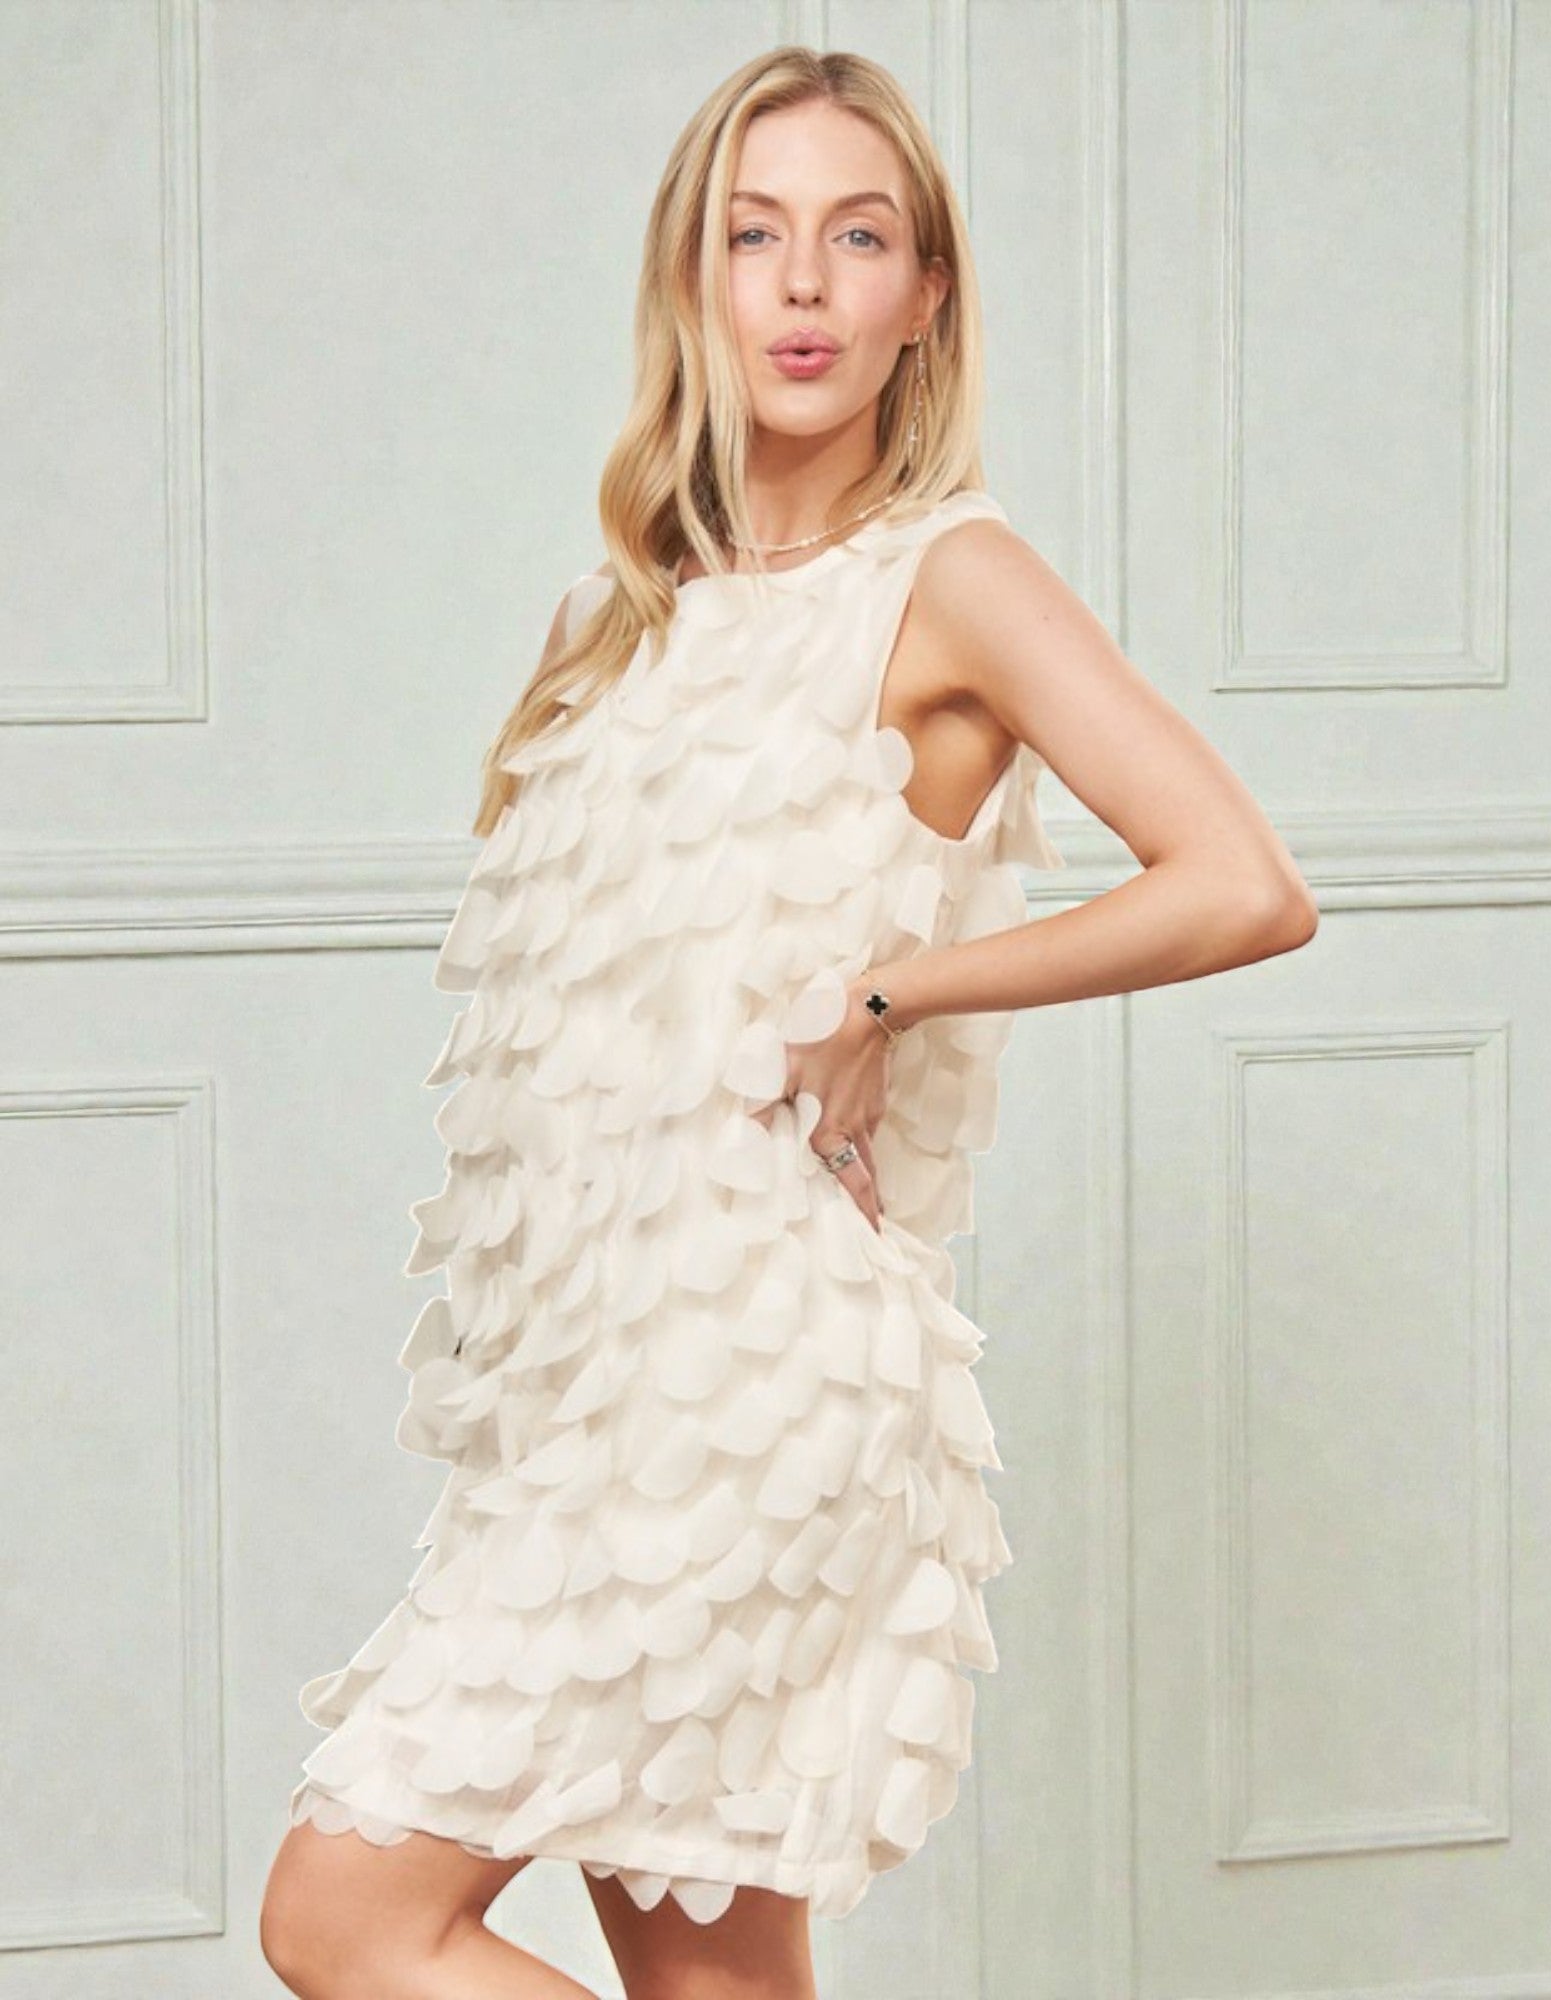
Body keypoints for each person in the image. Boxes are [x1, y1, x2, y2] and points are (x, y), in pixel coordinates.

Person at [258, 42, 1317, 2000]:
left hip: (757, 1396)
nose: (804, 284)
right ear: (696, 276)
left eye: (859, 236)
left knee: (343, 1916)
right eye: (756, 236)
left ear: (925, 297)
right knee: (711, 1986)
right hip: (594, 1394)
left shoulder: (954, 579)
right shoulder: (611, 618)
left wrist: (895, 990)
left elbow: (1241, 881)